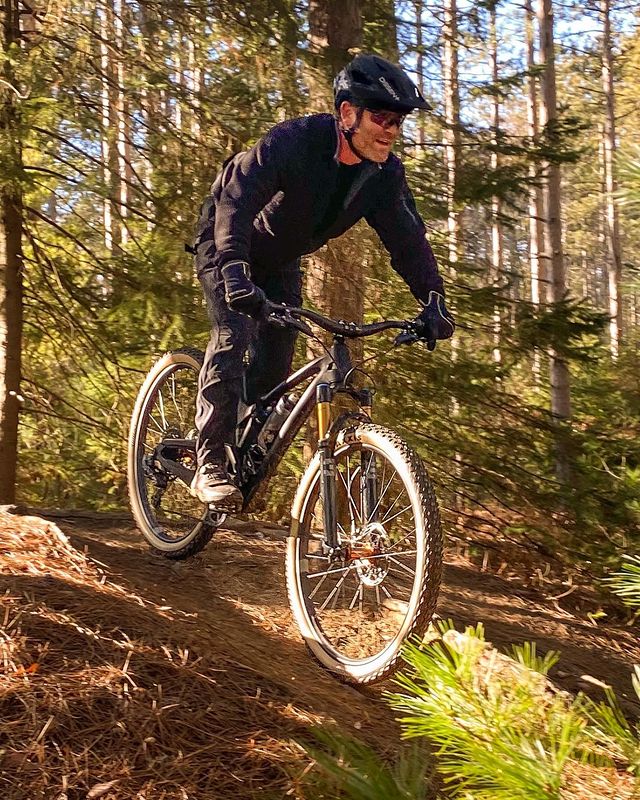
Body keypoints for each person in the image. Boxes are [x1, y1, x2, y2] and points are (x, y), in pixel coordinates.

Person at [191, 53, 455, 508]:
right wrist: (233, 267)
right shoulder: (295, 142)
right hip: (227, 244)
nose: (391, 130)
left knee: (273, 367)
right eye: (381, 117)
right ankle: (210, 461)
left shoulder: (382, 174)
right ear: (348, 113)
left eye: (398, 122)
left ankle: (240, 435)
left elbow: (407, 238)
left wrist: (433, 299)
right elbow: (238, 198)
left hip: (280, 260)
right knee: (232, 339)